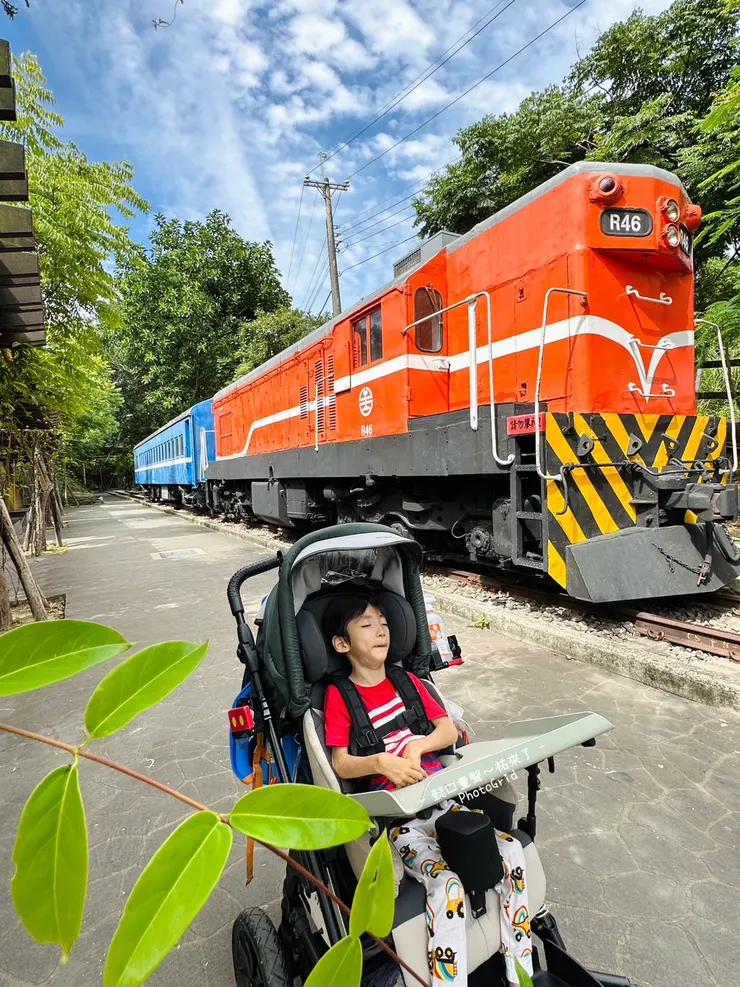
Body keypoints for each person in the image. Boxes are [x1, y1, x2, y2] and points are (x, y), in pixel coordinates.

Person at [322, 593, 533, 987]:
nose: (380, 630)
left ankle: (519, 974)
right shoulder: (340, 696)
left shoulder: (409, 682)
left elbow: (447, 730)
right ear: (341, 643)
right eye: (366, 624)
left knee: (512, 853)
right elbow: (341, 763)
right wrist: (380, 762)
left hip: (445, 804)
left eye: (384, 622)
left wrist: (419, 746)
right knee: (447, 885)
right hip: (401, 822)